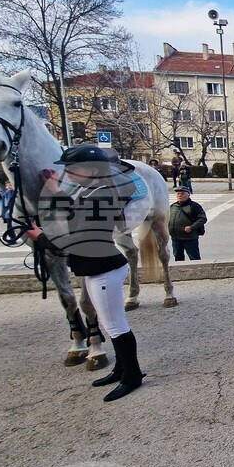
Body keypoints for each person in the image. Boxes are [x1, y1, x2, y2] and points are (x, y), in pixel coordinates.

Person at [23, 144, 145, 402]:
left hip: (103, 269)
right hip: (95, 268)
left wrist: (39, 237)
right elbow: (75, 214)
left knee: (116, 326)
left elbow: (71, 240)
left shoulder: (100, 195)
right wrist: (56, 191)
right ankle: (121, 369)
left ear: (91, 170)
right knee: (112, 325)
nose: (67, 173)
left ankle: (132, 376)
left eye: (71, 168)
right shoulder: (93, 190)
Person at [168, 186, 207, 261]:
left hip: (190, 238)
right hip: (176, 238)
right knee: (178, 258)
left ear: (188, 195)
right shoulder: (173, 206)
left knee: (194, 258)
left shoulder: (194, 206)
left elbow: (202, 219)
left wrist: (191, 227)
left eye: (182, 194)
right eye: (178, 194)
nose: (180, 195)